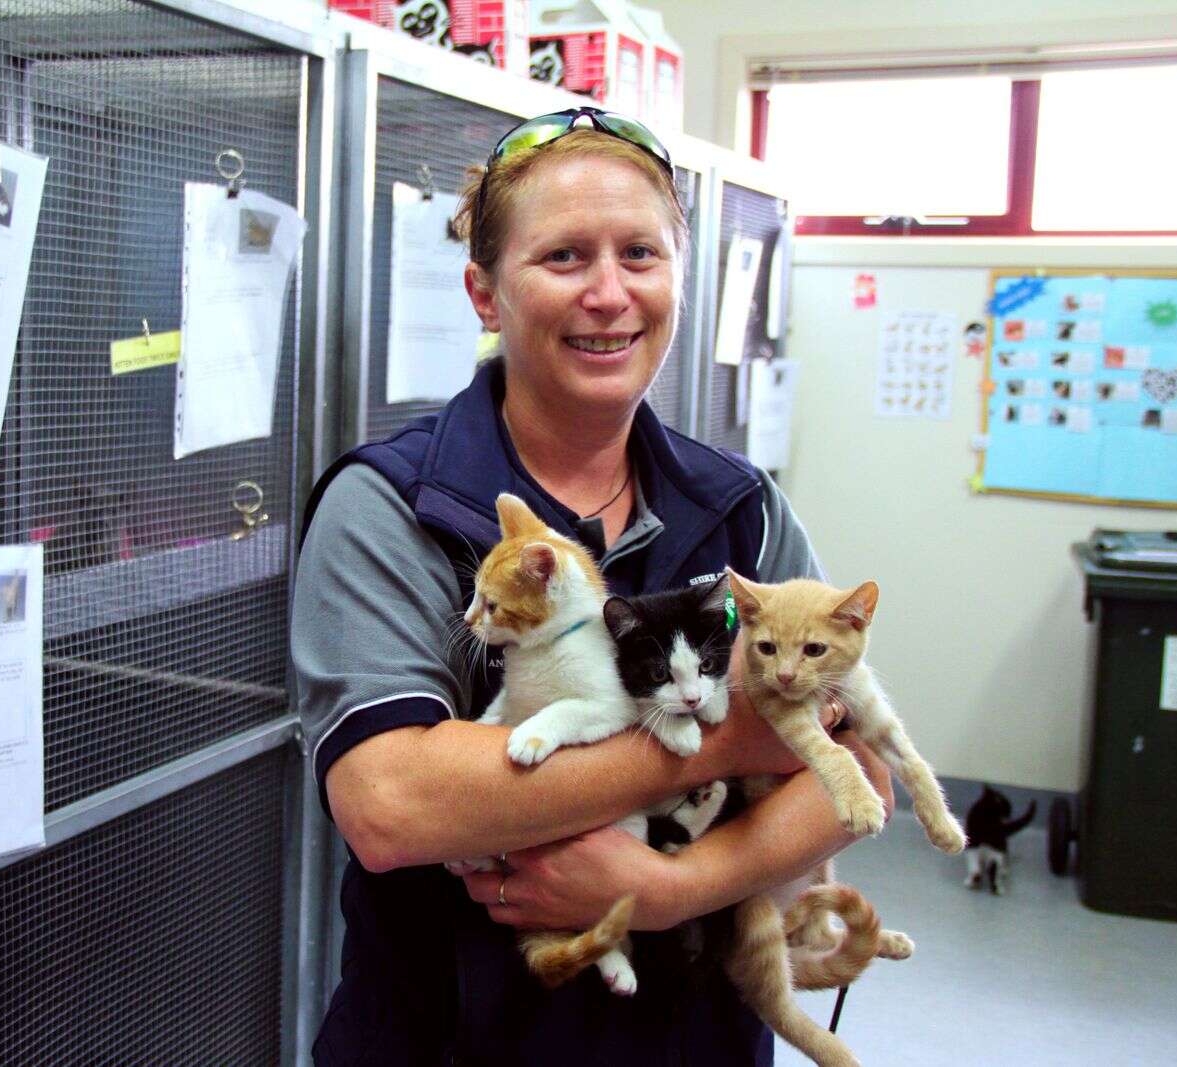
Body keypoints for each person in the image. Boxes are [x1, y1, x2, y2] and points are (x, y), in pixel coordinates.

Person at [294, 107, 893, 1065]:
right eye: (565, 257)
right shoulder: (393, 505)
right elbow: (393, 802)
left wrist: (674, 885)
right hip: (450, 1039)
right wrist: (733, 736)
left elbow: (858, 773)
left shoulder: (741, 506)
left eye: (641, 255)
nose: (610, 293)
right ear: (485, 294)